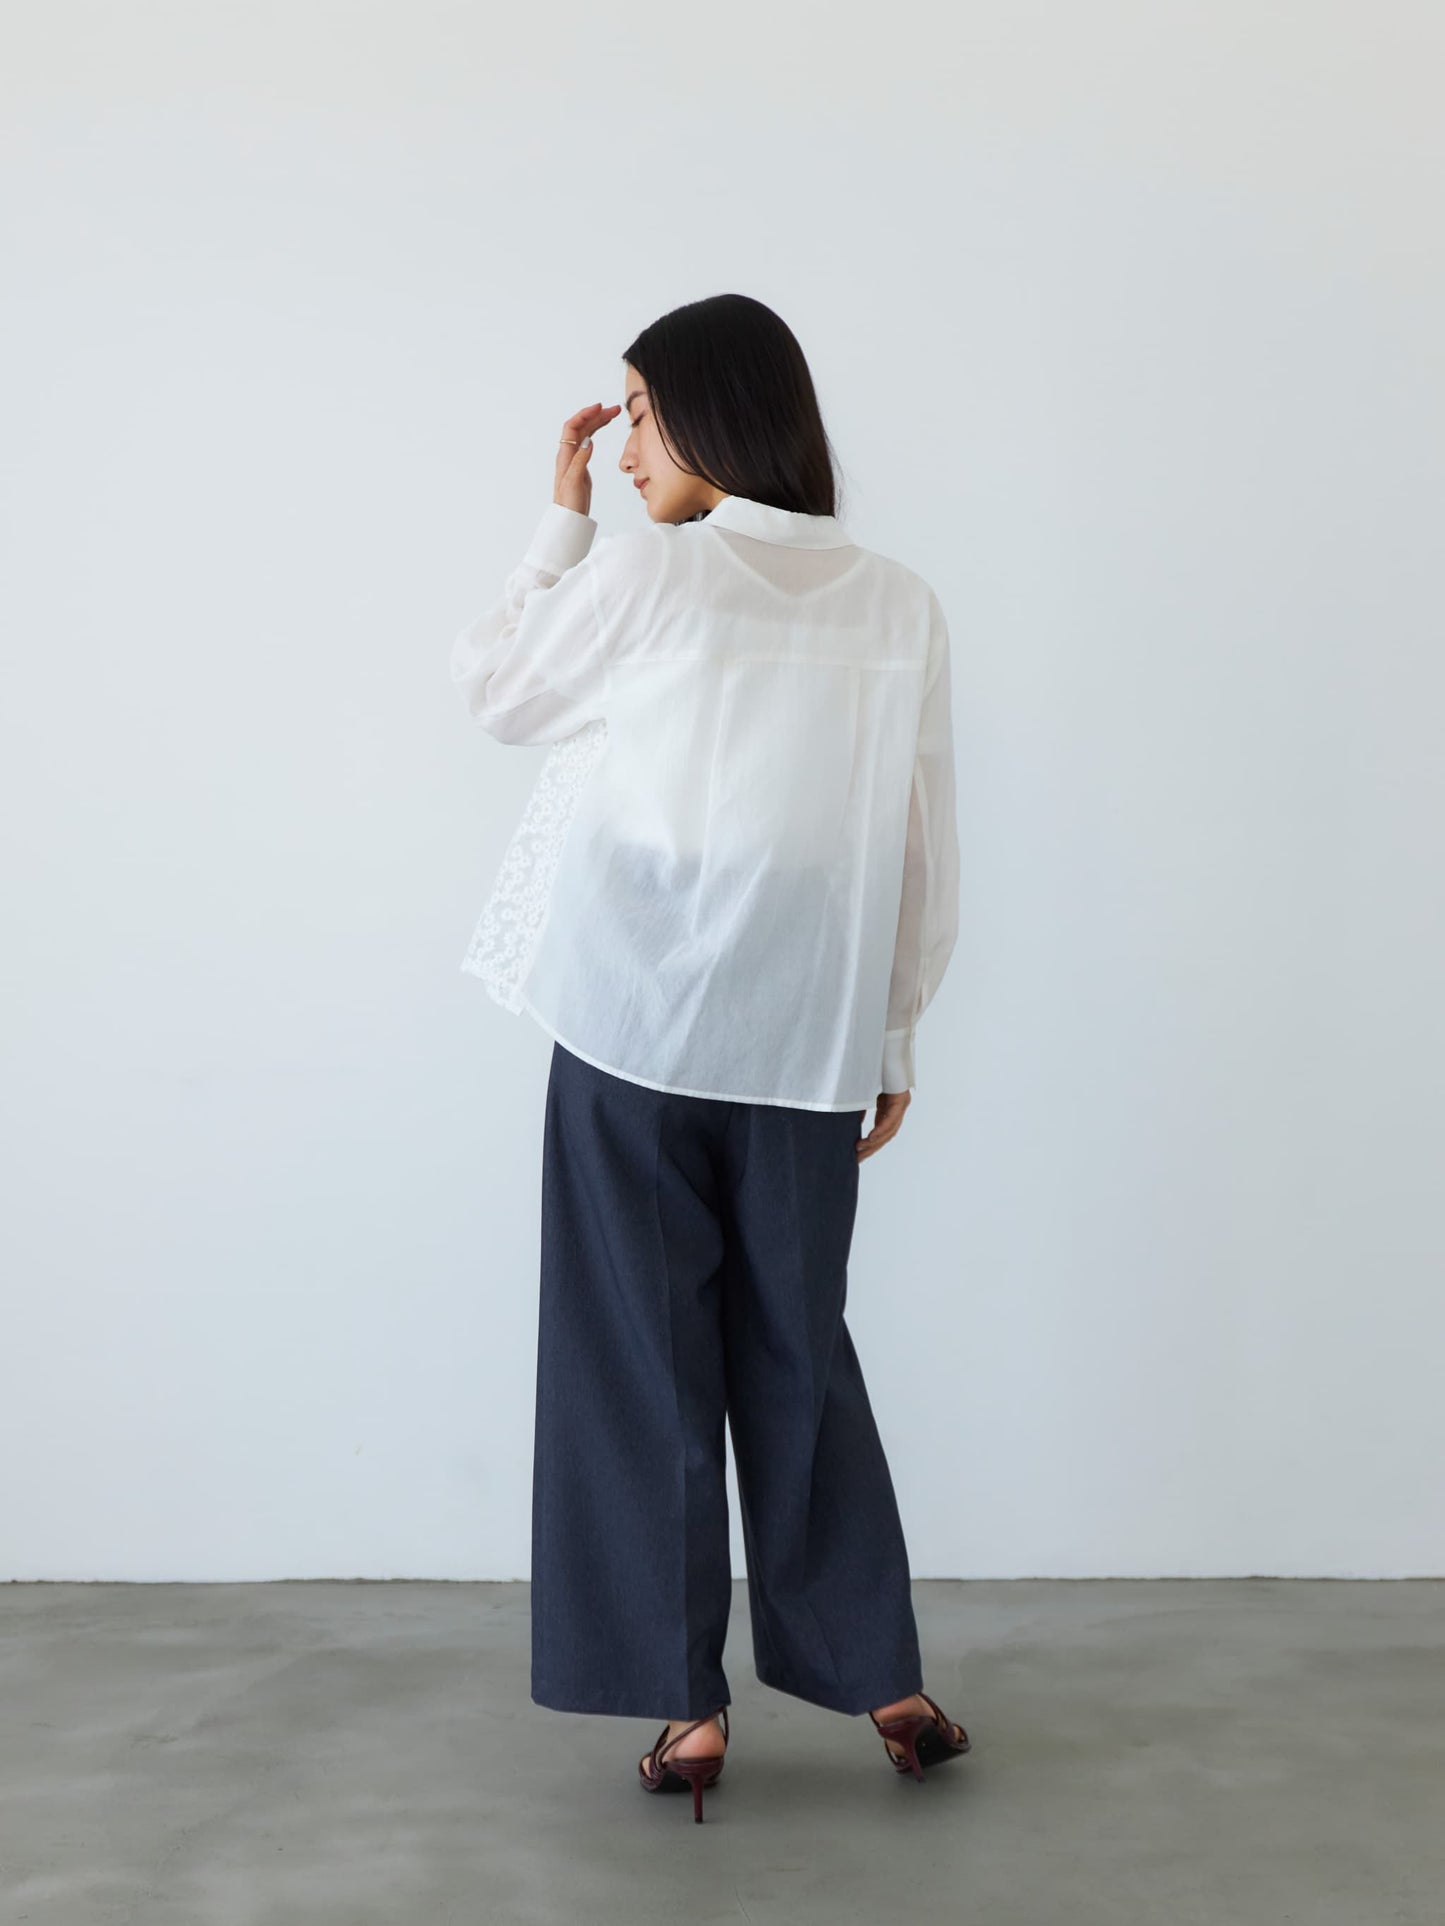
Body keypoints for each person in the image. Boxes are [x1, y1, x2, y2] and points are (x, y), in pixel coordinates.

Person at [449, 293, 971, 1821]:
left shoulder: (644, 572)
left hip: (632, 1026)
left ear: (708, 413)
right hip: (806, 1038)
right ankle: (883, 1677)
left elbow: (498, 694)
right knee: (799, 1349)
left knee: (638, 1360)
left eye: (635, 413)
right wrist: (891, 1030)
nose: (620, 451)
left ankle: (686, 1706)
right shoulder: (896, 600)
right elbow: (916, 840)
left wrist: (553, 530)